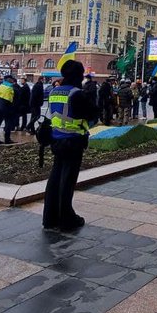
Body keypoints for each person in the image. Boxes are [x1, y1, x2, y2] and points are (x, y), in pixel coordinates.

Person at [43, 59, 98, 231]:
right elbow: (91, 114)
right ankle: (67, 219)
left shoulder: (54, 91)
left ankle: (49, 218)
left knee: (55, 177)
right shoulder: (76, 93)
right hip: (73, 141)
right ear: (77, 75)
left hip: (56, 139)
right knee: (67, 180)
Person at [0, 75, 18, 145]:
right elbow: (14, 97)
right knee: (8, 124)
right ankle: (7, 139)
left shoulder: (1, 86)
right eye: (12, 79)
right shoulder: (11, 88)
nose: (13, 80)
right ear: (9, 79)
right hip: (7, 108)